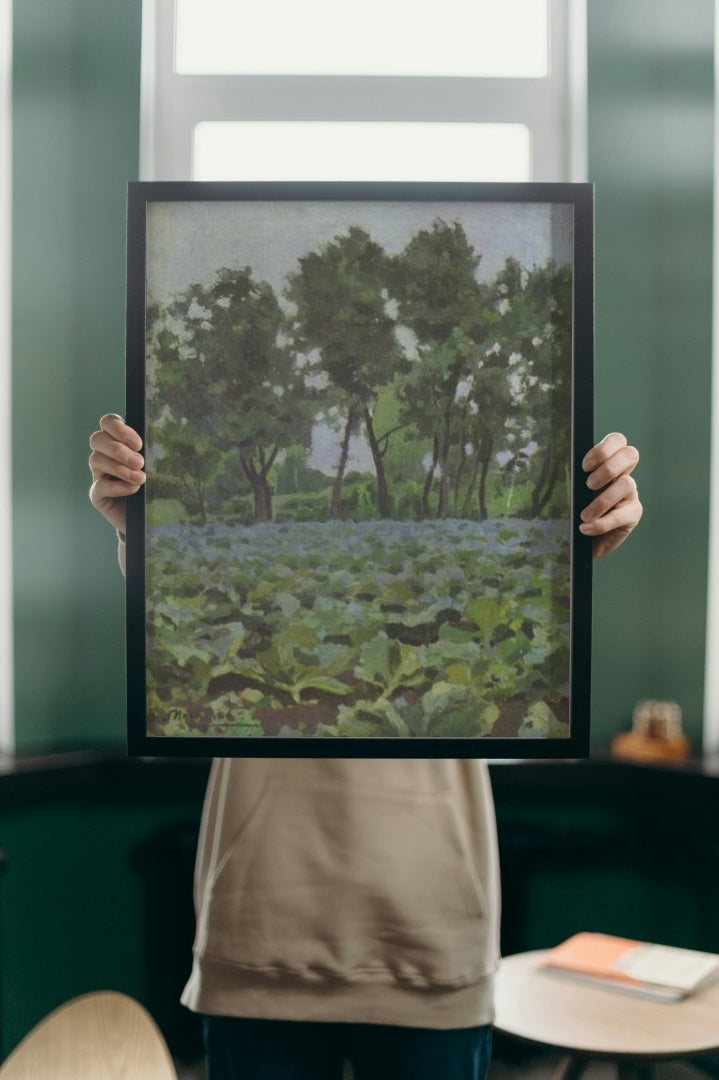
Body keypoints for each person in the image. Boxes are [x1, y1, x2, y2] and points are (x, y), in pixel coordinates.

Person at [89, 416, 642, 1080]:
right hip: (261, 926)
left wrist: (569, 553)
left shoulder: (464, 566)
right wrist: (136, 524)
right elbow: (179, 621)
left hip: (433, 929)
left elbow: (519, 665)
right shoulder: (247, 557)